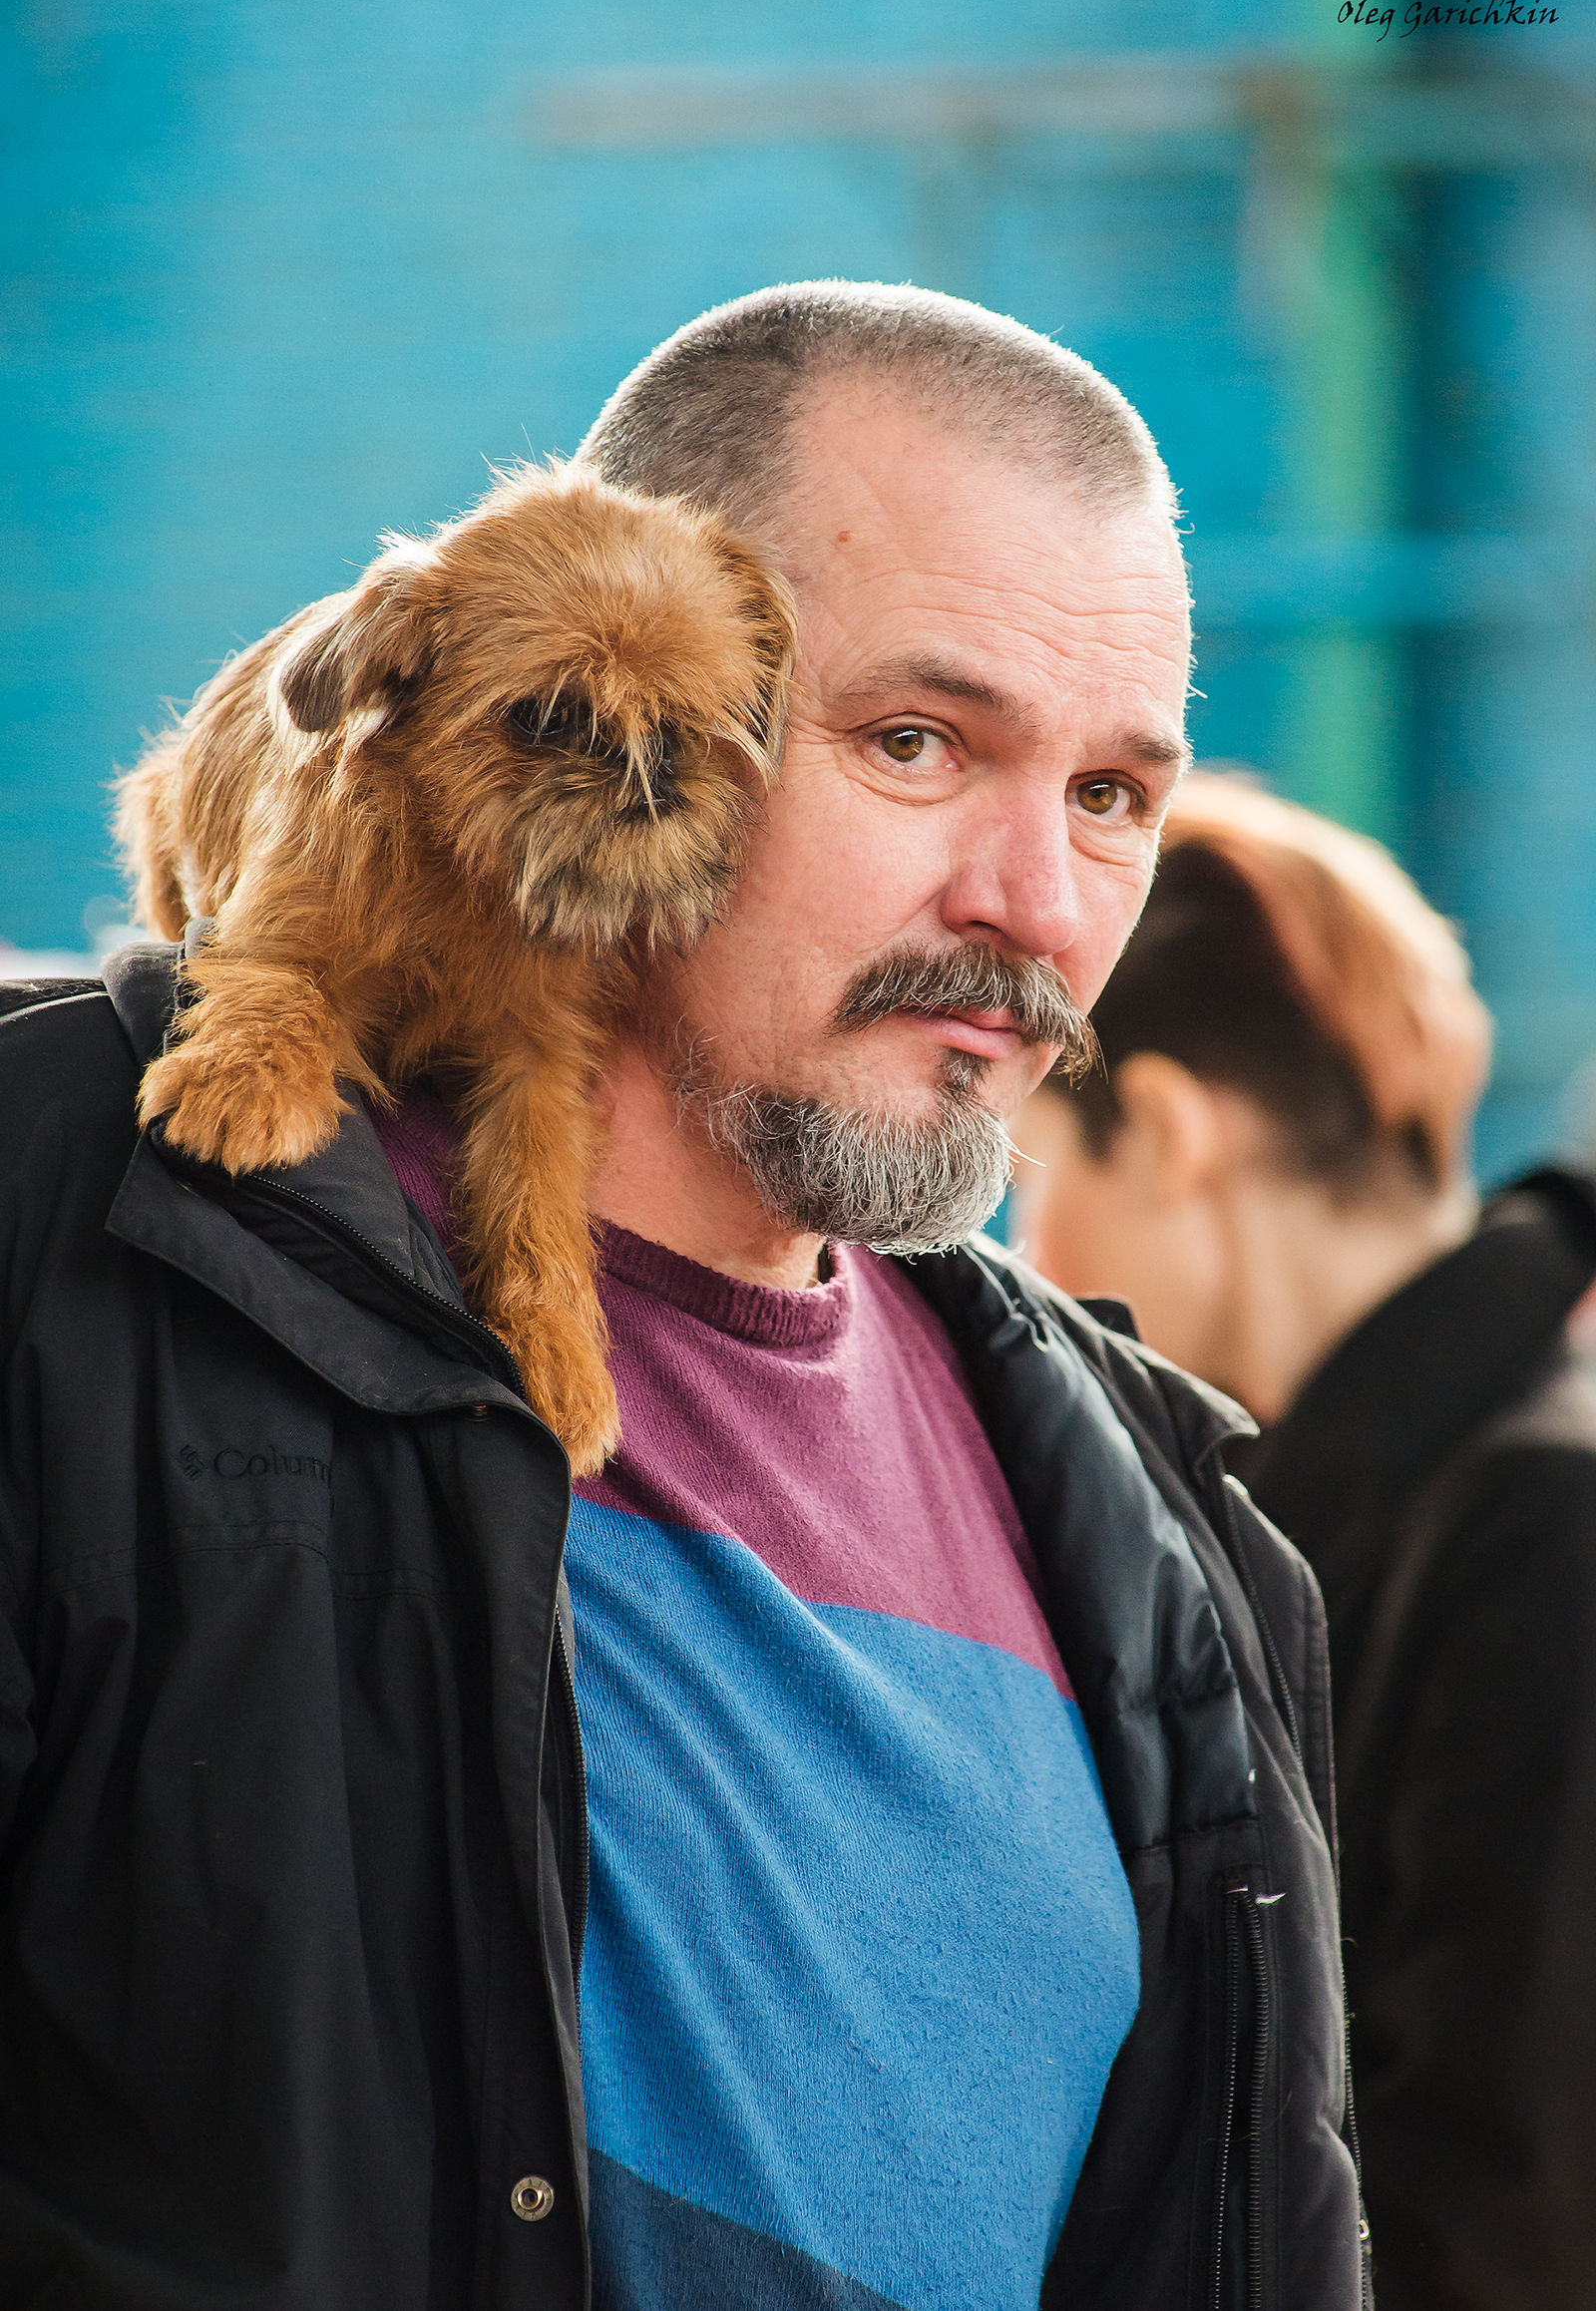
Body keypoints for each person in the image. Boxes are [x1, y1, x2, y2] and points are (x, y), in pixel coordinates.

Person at [0, 285, 1366, 2311]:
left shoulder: (1168, 1539)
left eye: (1109, 795)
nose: (1037, 901)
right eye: (915, 740)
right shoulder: (73, 1242)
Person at [1011, 769, 1596, 2310]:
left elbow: (1498, 2217)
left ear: (1163, 1127)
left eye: (1029, 1177)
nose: (1027, 1260)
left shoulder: (1543, 1525)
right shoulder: (1385, 1495)